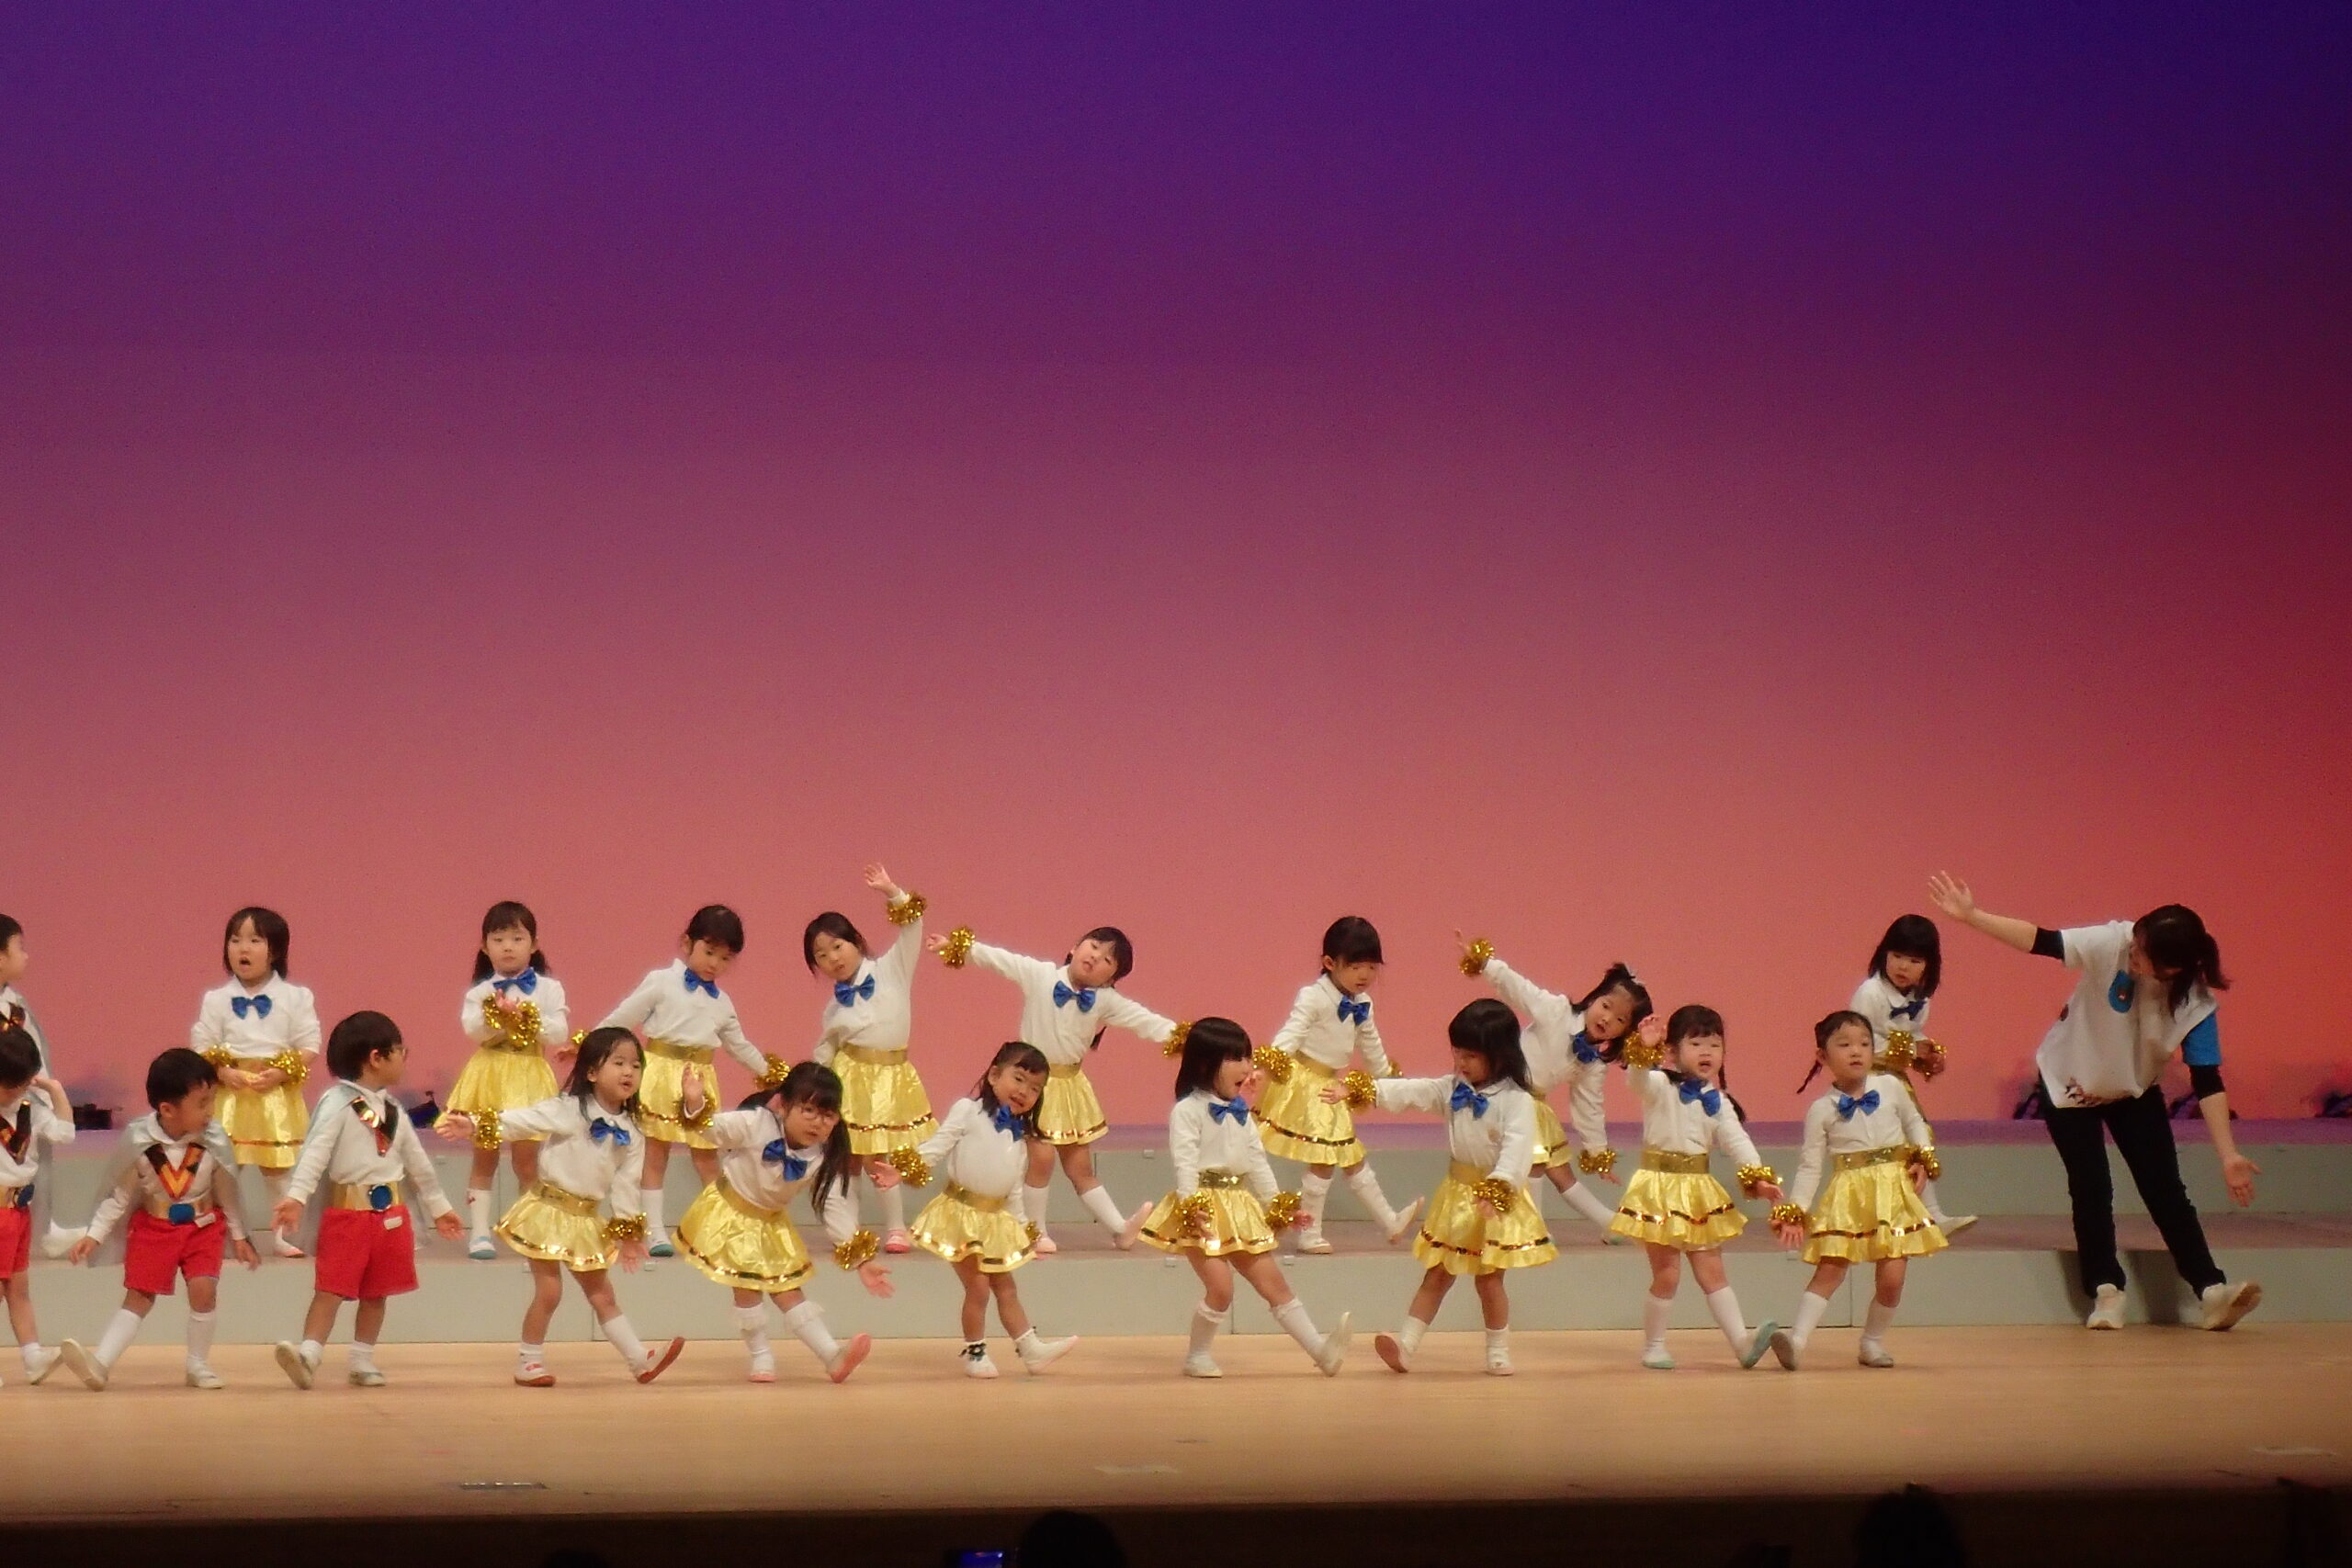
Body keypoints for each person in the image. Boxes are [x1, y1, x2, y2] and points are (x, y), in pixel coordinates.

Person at [1928, 873, 2260, 1330]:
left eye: (2143, 953)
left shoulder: (2195, 1005)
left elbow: (2207, 1081)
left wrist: (2228, 1155)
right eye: (2136, 942)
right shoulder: (2113, 942)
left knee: (2165, 1188)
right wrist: (1972, 916)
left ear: (2171, 969)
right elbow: (2042, 940)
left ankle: (2210, 1290)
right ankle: (2106, 1291)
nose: (2132, 953)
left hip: (2132, 1088)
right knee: (2091, 1187)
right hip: (2070, 1082)